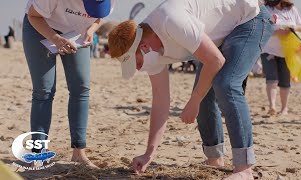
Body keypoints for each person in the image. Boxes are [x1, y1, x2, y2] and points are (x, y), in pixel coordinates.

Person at [108, 0, 273, 179]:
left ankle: (244, 168)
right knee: (202, 94)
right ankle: (215, 159)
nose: (138, 69)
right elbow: (160, 102)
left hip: (250, 18)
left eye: (136, 63)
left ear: (144, 47)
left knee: (226, 84)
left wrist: (194, 101)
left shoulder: (171, 20)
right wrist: (149, 153)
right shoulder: (150, 52)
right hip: (220, 34)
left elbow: (216, 61)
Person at [23, 0, 114, 168]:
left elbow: (99, 17)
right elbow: (33, 16)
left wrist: (91, 29)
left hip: (76, 33)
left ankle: (79, 153)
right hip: (41, 26)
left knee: (81, 87)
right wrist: (55, 38)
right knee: (44, 91)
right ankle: (38, 154)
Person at [261, 0, 301, 115]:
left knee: (285, 81)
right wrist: (277, 32)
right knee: (271, 79)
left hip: (288, 52)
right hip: (268, 50)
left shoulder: (291, 9)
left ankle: (284, 108)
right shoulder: (266, 9)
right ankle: (272, 107)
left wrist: (292, 28)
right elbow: (262, 28)